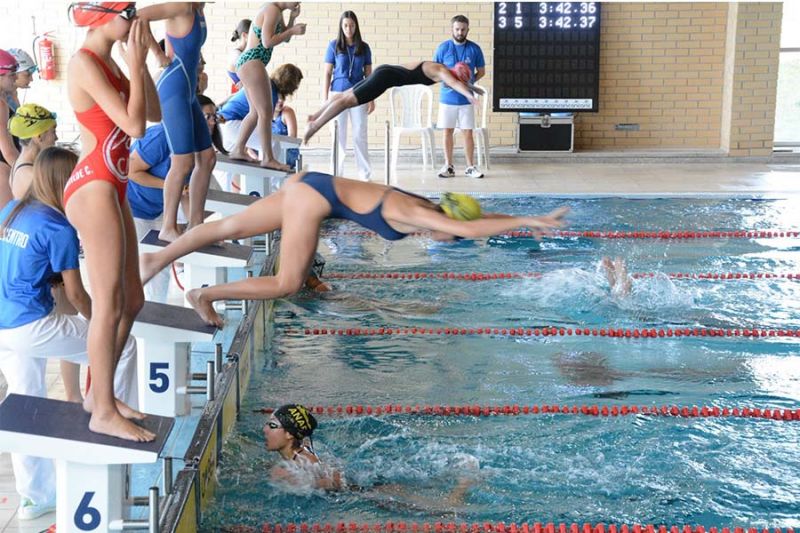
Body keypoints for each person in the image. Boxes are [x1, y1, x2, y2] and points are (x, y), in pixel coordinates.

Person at [140, 170, 569, 327]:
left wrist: (516, 221)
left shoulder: (428, 208)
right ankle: (204, 296)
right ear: (447, 223)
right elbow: (469, 229)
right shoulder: (420, 216)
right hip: (314, 199)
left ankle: (156, 258)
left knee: (227, 227)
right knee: (287, 283)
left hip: (310, 184)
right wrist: (531, 220)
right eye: (449, 235)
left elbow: (475, 222)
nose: (443, 240)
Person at [0, 146, 140, 519]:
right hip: (31, 325)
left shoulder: (11, 210)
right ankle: (108, 409)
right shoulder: (57, 226)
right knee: (121, 346)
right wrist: (101, 323)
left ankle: (35, 497)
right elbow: (77, 294)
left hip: (4, 326)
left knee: (25, 401)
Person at [65, 2, 161, 442]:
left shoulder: (112, 62)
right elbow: (135, 127)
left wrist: (142, 62)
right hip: (93, 186)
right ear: (103, 15)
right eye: (130, 12)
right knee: (108, 303)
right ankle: (102, 409)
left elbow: (155, 112)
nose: (136, 19)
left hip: (113, 185)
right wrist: (136, 65)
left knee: (133, 299)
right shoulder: (85, 62)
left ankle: (97, 395)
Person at [128, 94, 225, 302]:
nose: (212, 123)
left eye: (214, 117)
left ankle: (157, 313)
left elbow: (188, 195)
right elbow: (131, 171)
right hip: (130, 207)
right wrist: (170, 186)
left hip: (157, 208)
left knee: (160, 267)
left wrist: (199, 231)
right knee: (136, 266)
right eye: (207, 117)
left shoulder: (199, 149)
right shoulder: (161, 137)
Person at [138, 3, 215, 243]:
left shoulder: (198, 8)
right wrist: (158, 55)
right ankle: (168, 227)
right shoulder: (181, 5)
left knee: (207, 158)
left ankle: (195, 223)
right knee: (182, 161)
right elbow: (139, 17)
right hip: (173, 90)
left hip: (188, 92)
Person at [304, 60, 482, 144]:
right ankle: (315, 126)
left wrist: (471, 89)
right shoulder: (442, 73)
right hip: (385, 79)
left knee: (343, 95)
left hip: (384, 71)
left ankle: (315, 115)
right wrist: (469, 96)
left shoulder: (441, 68)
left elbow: (458, 81)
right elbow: (454, 83)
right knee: (346, 102)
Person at [231, 2, 305, 171]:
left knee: (255, 112)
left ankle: (238, 149)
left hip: (248, 62)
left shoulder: (276, 11)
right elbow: (267, 41)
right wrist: (292, 30)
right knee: (265, 111)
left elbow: (285, 38)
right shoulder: (271, 10)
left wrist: (292, 19)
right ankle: (268, 157)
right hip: (252, 61)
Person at [434, 15, 486, 180]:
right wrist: (448, 81)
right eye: (457, 29)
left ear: (468, 30)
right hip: (447, 99)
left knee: (467, 133)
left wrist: (468, 82)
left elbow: (482, 71)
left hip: (465, 99)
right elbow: (435, 73)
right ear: (452, 29)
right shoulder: (443, 48)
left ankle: (470, 167)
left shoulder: (474, 49)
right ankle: (449, 166)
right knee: (447, 132)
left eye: (463, 29)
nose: (460, 32)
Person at [324, 11, 373, 181]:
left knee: (360, 133)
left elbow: (369, 74)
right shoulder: (333, 46)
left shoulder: (364, 47)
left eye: (352, 25)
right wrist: (325, 98)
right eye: (345, 25)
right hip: (337, 94)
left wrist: (371, 98)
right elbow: (327, 73)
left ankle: (364, 175)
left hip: (359, 94)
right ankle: (336, 175)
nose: (349, 28)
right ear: (341, 26)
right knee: (338, 135)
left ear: (356, 26)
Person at [219, 63, 303, 158]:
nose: (296, 88)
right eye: (296, 84)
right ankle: (267, 165)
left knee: (231, 163)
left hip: (223, 121)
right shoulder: (270, 92)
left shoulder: (264, 84)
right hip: (232, 123)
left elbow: (233, 97)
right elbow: (264, 122)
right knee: (272, 144)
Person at [7, 103, 58, 199]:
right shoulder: (32, 176)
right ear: (39, 136)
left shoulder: (18, 165)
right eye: (53, 132)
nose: (56, 138)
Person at [0, 49, 20, 210]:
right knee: (5, 227)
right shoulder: (0, 105)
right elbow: (7, 150)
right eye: (12, 74)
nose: (16, 78)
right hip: (2, 170)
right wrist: (26, 171)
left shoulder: (5, 98)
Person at [271, 97, 299, 169]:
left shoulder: (287, 112)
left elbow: (292, 138)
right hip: (269, 151)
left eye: (282, 97)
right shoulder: (262, 113)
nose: (281, 100)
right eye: (277, 97)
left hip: (286, 152)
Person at [227, 18, 251, 93]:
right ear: (244, 35)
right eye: (253, 34)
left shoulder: (243, 53)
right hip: (239, 95)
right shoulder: (237, 55)